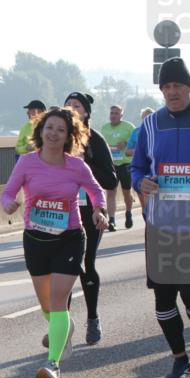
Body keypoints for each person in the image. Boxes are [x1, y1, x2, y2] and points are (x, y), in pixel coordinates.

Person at [1, 107, 108, 378]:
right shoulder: (26, 162)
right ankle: (65, 326)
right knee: (48, 306)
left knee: (59, 301)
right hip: (35, 240)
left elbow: (96, 191)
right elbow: (8, 192)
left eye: (61, 129)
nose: (54, 133)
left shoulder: (76, 166)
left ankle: (53, 364)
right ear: (40, 131)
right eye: (49, 127)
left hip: (69, 238)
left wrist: (100, 211)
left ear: (69, 136)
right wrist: (8, 204)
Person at [131, 57, 190, 378]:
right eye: (165, 87)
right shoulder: (151, 125)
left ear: (189, 87)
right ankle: (180, 361)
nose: (171, 92)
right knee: (163, 296)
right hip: (160, 223)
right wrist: (142, 183)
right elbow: (137, 167)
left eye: (177, 85)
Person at [62, 92, 119, 345]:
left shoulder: (95, 140)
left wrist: (87, 164)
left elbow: (110, 180)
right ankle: (61, 323)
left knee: (86, 264)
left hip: (91, 210)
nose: (72, 109)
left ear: (86, 112)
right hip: (61, 210)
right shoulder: (58, 137)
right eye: (69, 105)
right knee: (61, 269)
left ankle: (93, 318)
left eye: (77, 106)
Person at [100, 104, 137, 230]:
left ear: (121, 115)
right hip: (111, 164)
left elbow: (137, 141)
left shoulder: (129, 127)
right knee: (111, 192)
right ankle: (112, 220)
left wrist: (126, 143)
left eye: (116, 113)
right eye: (111, 113)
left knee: (127, 192)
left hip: (125, 163)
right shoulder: (104, 128)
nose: (113, 116)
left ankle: (128, 213)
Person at [124, 106, 154, 211]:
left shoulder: (158, 131)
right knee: (144, 204)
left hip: (154, 171)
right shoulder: (136, 132)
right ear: (142, 119)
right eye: (145, 118)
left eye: (150, 117)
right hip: (140, 169)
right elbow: (127, 151)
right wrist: (140, 151)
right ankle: (146, 220)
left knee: (153, 201)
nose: (147, 120)